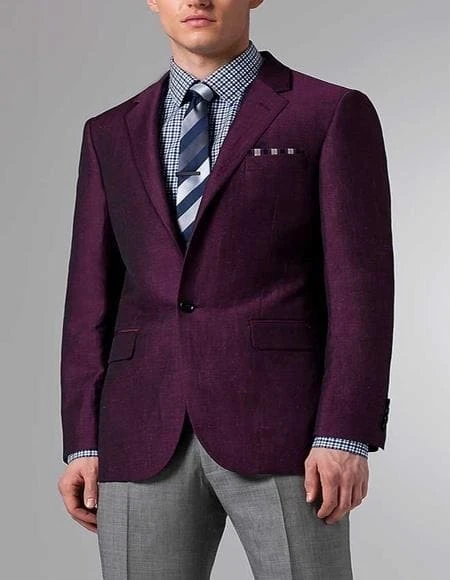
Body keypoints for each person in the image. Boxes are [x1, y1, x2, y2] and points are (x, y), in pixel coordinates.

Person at [57, 1, 394, 578]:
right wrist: (83, 441)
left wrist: (345, 433)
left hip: (288, 432)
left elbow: (362, 290)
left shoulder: (328, 112)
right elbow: (89, 298)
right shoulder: (109, 132)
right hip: (140, 428)